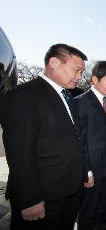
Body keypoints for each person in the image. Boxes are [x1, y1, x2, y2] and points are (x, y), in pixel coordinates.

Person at [0, 44, 87, 230]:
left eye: (82, 72)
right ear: (54, 63)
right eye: (76, 70)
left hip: (70, 191)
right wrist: (30, 199)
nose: (80, 77)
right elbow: (19, 155)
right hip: (42, 197)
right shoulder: (22, 96)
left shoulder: (68, 96)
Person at [75, 61, 106, 230]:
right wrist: (87, 171)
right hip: (92, 168)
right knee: (88, 208)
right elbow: (80, 141)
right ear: (95, 79)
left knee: (104, 205)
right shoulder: (80, 102)